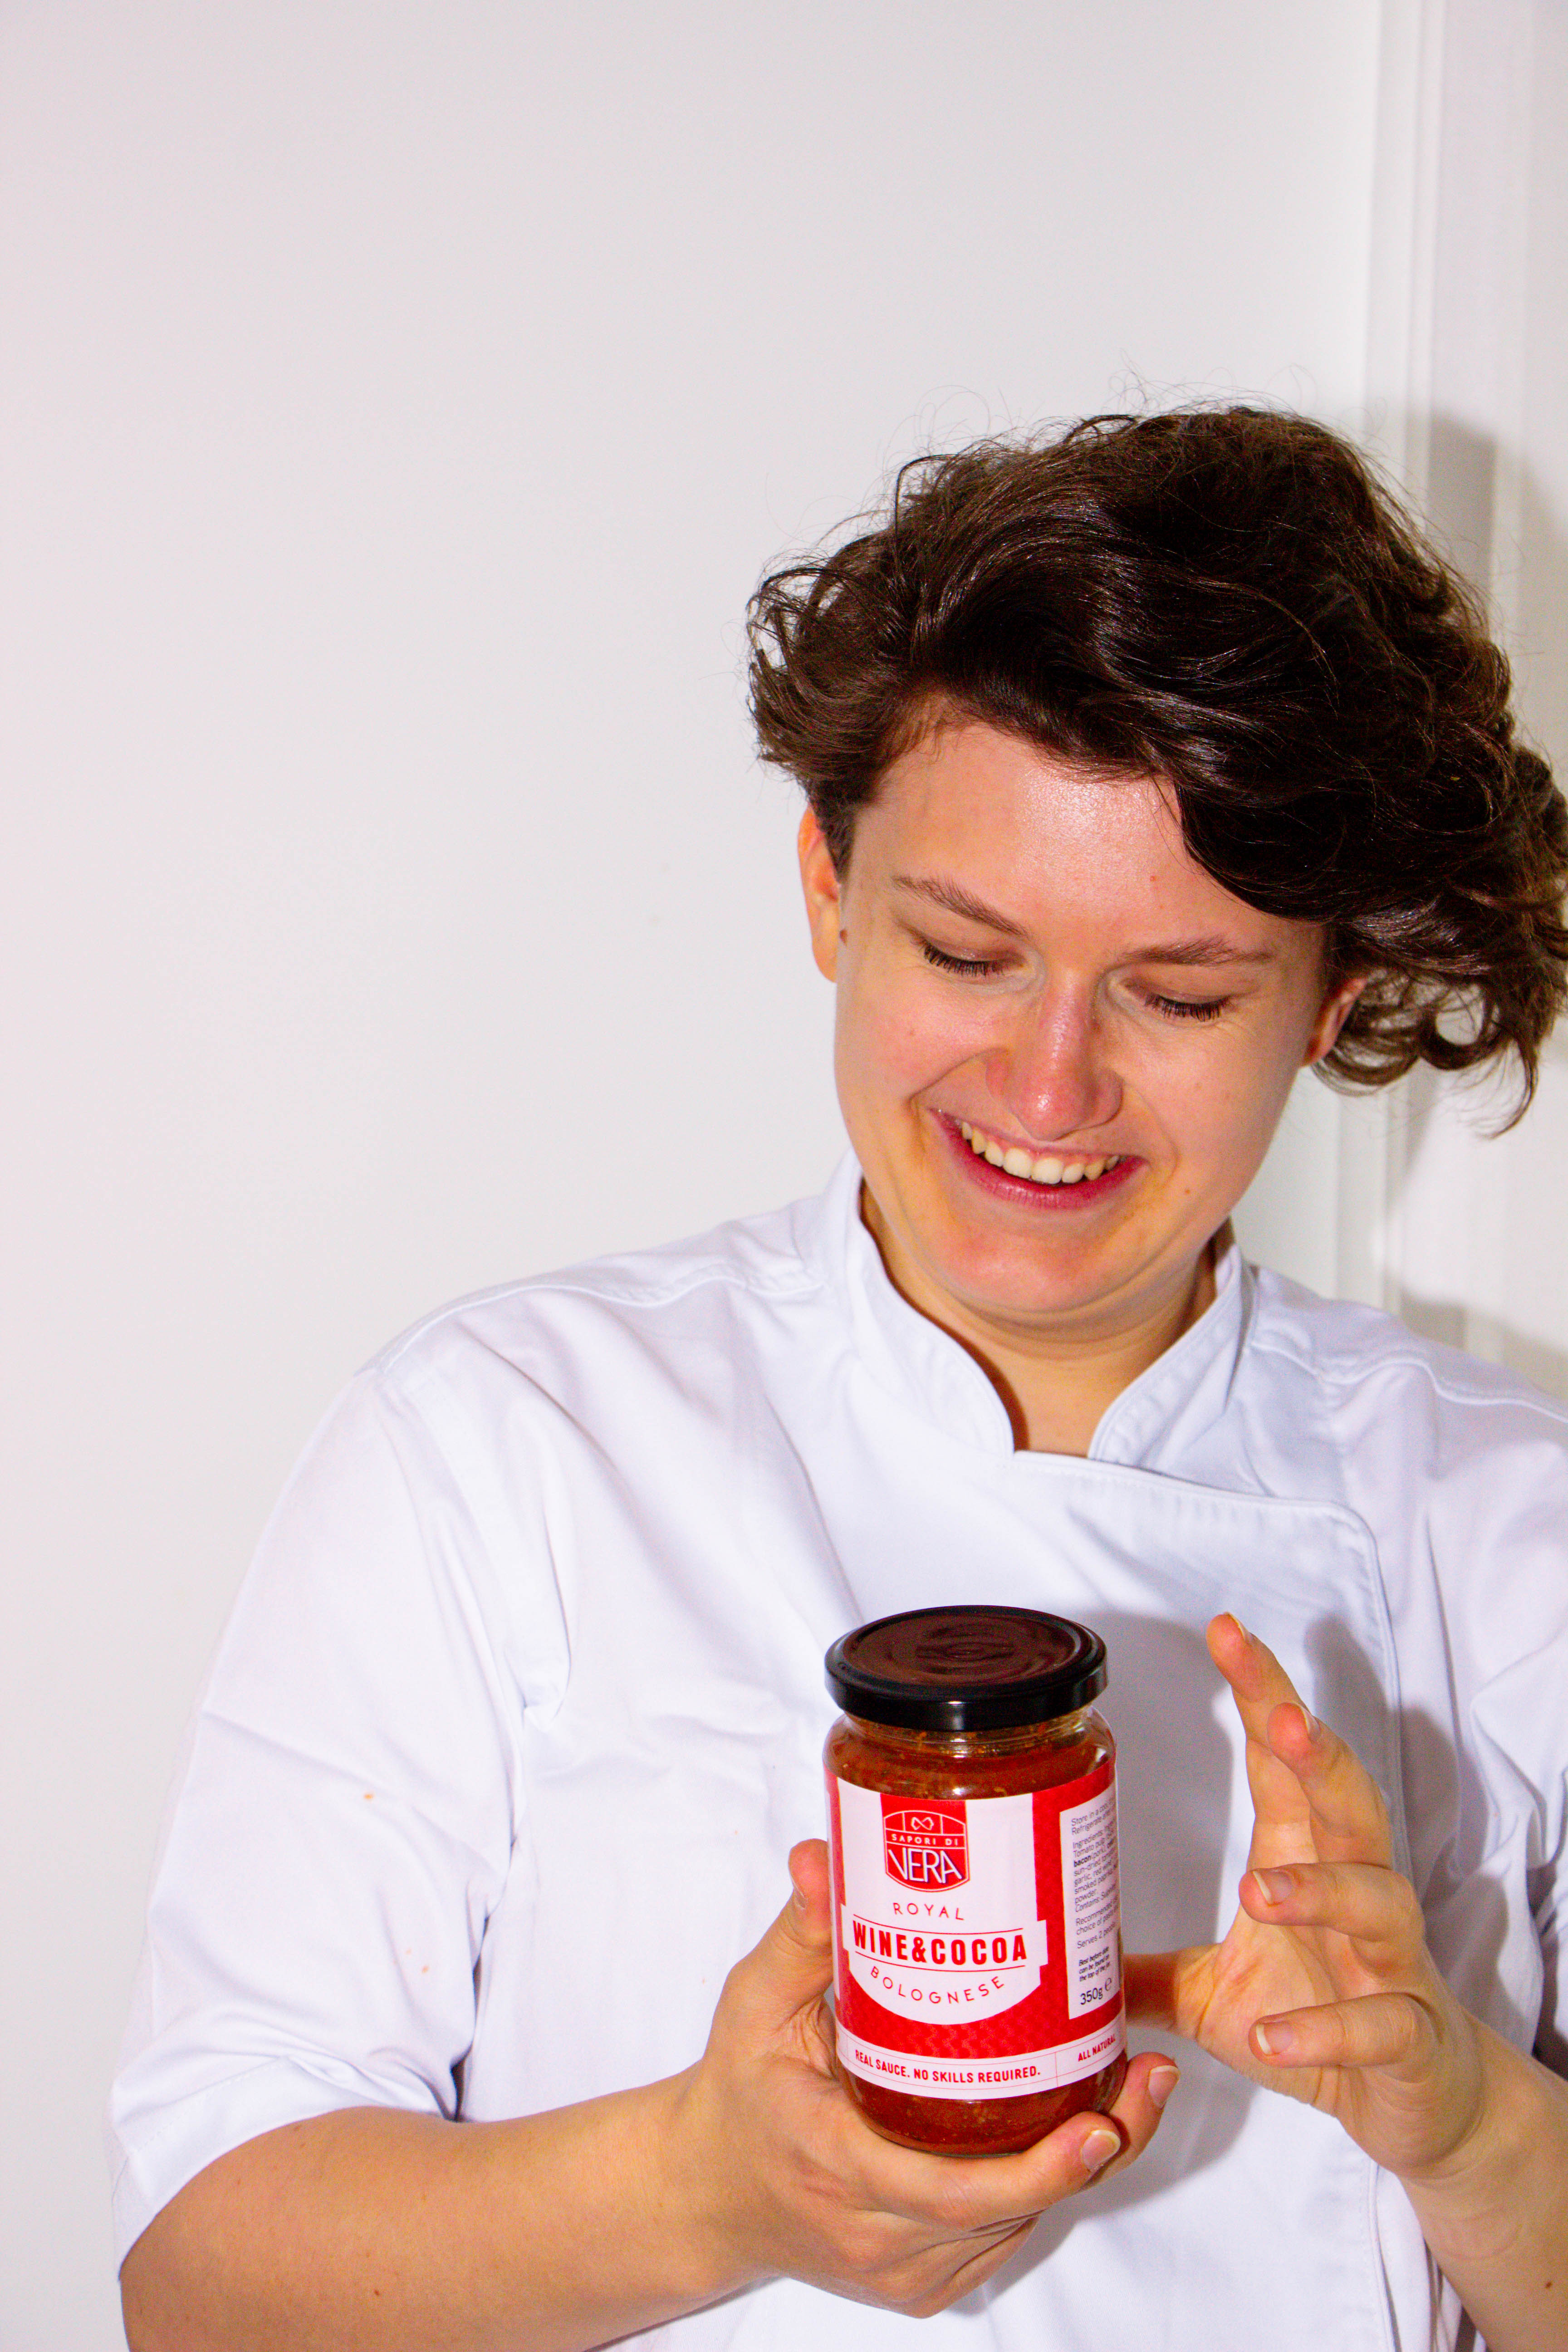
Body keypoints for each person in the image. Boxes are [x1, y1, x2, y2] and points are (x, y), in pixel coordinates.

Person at [113, 407, 1568, 2352]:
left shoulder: (1505, 1521)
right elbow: (205, 2284)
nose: (1049, 1089)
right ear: (825, 887)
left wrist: (1463, 2118)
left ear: (1335, 1001)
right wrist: (707, 2188)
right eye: (967, 951)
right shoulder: (505, 1448)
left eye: (1182, 993)